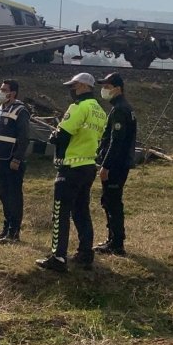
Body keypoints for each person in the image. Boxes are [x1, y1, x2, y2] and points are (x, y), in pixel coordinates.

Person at [36, 73, 106, 272]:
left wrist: (54, 135)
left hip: (71, 167)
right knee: (82, 211)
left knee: (60, 212)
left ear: (84, 86)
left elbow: (63, 133)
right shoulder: (100, 111)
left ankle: (58, 257)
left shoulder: (78, 107)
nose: (71, 90)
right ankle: (85, 254)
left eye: (73, 86)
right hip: (88, 166)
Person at [94, 72, 137, 256]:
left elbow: (116, 141)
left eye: (107, 86)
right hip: (121, 163)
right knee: (111, 201)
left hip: (116, 165)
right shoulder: (124, 107)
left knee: (112, 202)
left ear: (118, 89)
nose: (104, 90)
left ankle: (116, 243)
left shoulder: (120, 109)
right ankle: (113, 239)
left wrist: (106, 165)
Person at [0, 79, 31, 243]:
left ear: (13, 93)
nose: (1, 92)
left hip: (11, 160)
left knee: (14, 196)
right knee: (4, 195)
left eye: (4, 89)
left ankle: (14, 232)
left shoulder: (20, 110)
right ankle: (6, 229)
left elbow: (24, 137)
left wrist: (17, 158)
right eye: (1, 89)